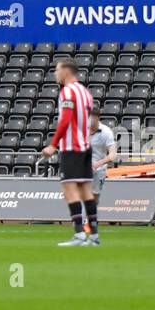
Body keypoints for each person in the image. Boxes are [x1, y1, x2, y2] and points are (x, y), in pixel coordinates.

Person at [41, 59, 100, 247]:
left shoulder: (67, 92)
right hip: (85, 146)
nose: (55, 73)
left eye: (57, 70)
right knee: (86, 191)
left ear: (66, 71)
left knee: (69, 189)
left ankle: (79, 234)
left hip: (71, 147)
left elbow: (65, 120)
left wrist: (53, 145)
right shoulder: (86, 92)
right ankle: (95, 236)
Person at [90, 113, 117, 198]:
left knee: (95, 198)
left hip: (99, 170)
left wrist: (98, 163)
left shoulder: (106, 132)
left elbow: (112, 155)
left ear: (96, 118)